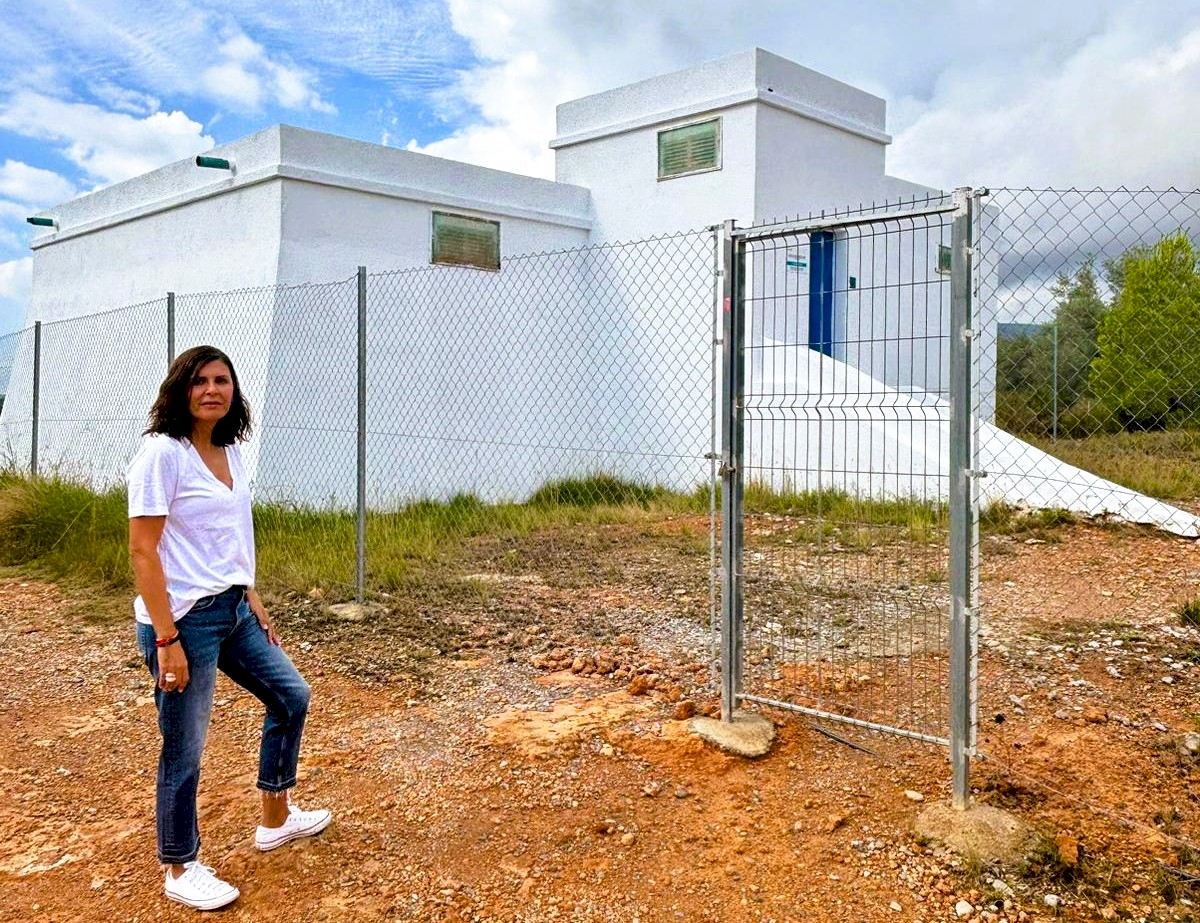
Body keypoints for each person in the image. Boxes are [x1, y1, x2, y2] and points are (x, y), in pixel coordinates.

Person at [128, 345, 330, 911]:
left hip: (233, 608)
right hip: (184, 620)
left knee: (291, 695)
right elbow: (143, 550)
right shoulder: (161, 454)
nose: (212, 390)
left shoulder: (230, 449)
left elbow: (233, 533)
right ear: (180, 389)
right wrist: (166, 638)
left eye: (222, 380)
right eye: (200, 381)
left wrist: (250, 593)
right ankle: (180, 866)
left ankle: (275, 818)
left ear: (234, 390)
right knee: (185, 747)